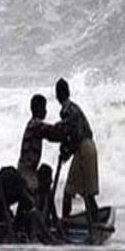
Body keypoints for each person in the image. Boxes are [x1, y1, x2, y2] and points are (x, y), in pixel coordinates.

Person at [54, 79, 100, 230]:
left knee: (69, 191)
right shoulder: (74, 108)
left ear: (57, 95)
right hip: (89, 147)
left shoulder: (67, 111)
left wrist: (65, 152)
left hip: (83, 148)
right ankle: (96, 221)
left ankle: (65, 225)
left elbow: (74, 135)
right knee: (87, 192)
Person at [17, 94, 63, 194]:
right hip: (27, 171)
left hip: (27, 168)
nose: (45, 111)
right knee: (35, 192)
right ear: (38, 109)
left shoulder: (32, 123)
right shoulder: (36, 125)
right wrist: (65, 128)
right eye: (44, 108)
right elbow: (53, 133)